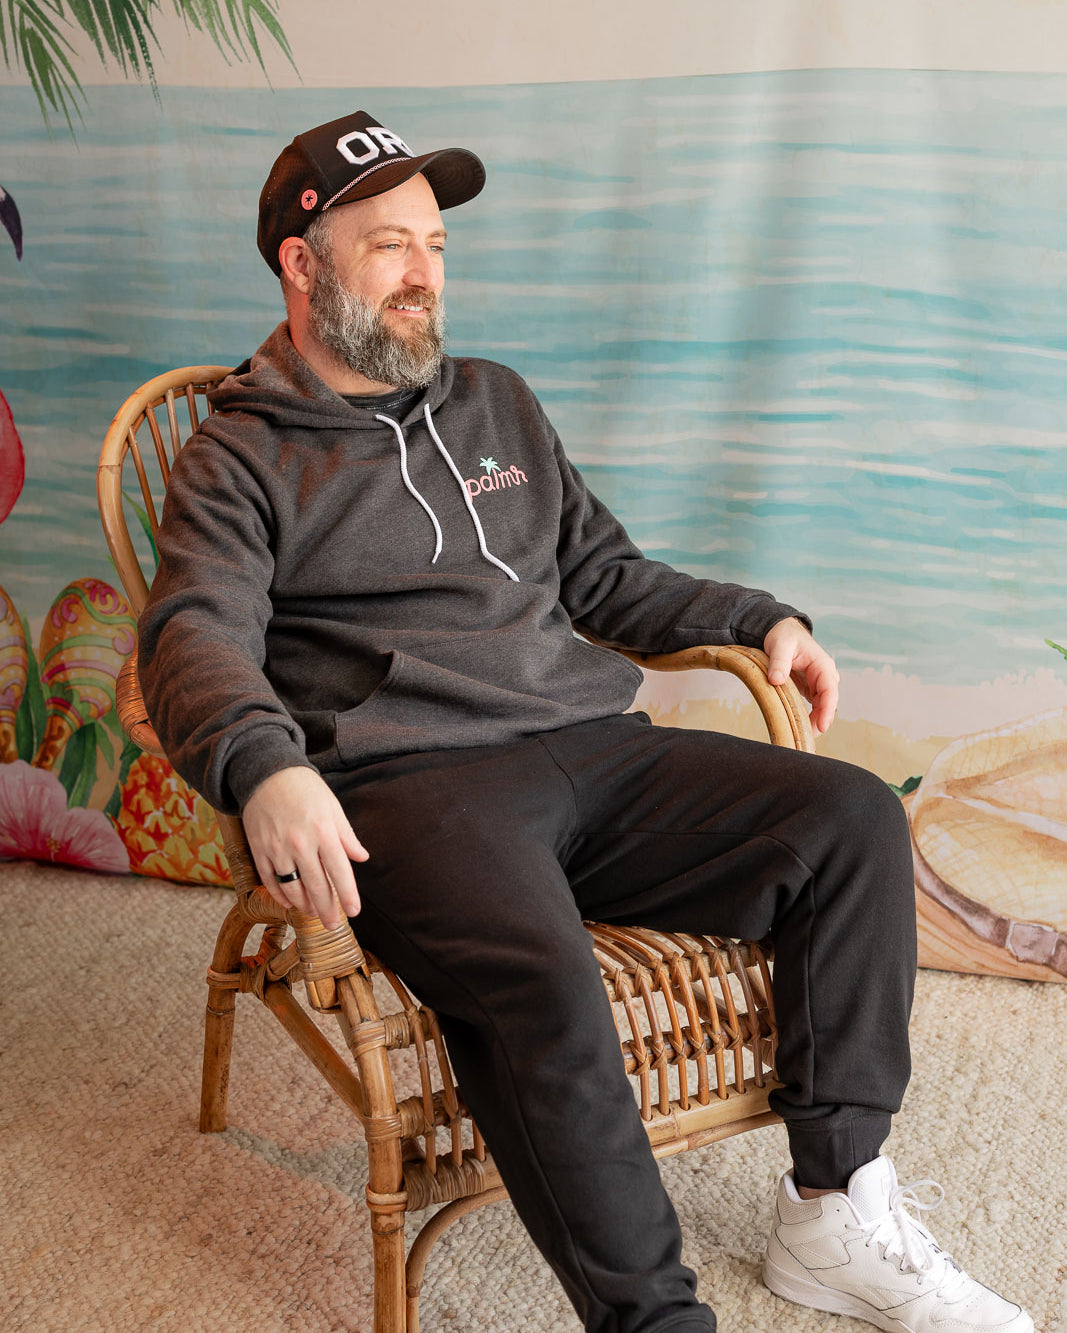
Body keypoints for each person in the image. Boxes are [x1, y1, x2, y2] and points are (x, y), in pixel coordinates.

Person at [138, 110, 1033, 1333]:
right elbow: (193, 635)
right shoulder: (236, 458)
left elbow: (606, 578)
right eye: (389, 244)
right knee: (543, 983)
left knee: (851, 821)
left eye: (437, 246)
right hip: (409, 784)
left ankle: (831, 1205)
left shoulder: (495, 403)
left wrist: (758, 616)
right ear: (302, 264)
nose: (423, 275)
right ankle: (652, 1321)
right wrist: (262, 770)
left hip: (593, 751)